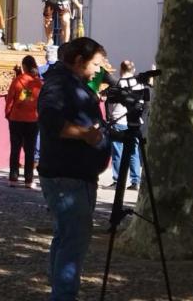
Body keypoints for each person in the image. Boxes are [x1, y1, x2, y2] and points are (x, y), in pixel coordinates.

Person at [37, 37, 110, 301]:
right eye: (95, 64)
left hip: (74, 175)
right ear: (79, 61)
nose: (97, 71)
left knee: (65, 237)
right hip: (67, 176)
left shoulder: (71, 83)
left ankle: (59, 291)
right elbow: (50, 121)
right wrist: (85, 135)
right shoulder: (58, 84)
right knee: (73, 241)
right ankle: (63, 295)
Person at [105, 60, 143, 190]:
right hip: (134, 122)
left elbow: (110, 103)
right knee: (134, 152)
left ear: (121, 70)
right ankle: (135, 181)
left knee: (117, 152)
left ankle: (118, 180)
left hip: (118, 120)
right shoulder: (139, 84)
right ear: (133, 69)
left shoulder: (117, 84)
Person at [5, 55, 42, 188]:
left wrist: (8, 113)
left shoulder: (17, 81)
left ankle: (13, 178)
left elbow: (10, 99)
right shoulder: (39, 83)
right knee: (30, 150)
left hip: (16, 118)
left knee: (15, 149)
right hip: (32, 119)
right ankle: (29, 180)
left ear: (24, 66)